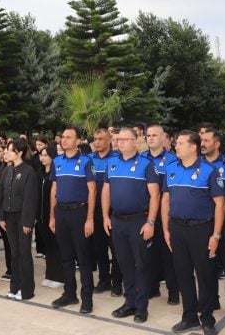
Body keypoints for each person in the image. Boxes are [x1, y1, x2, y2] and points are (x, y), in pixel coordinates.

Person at [162, 130, 224, 335]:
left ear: (193, 147)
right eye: (176, 143)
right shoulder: (171, 168)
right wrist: (166, 229)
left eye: (180, 143)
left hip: (201, 229)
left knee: (205, 275)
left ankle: (207, 318)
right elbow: (166, 199)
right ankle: (189, 317)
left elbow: (220, 204)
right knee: (183, 274)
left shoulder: (209, 170)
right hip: (177, 228)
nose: (176, 146)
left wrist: (216, 235)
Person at [101, 128, 160, 324]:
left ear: (136, 142)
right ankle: (130, 302)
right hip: (117, 221)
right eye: (119, 139)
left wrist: (150, 222)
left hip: (138, 222)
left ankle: (141, 307)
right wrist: (105, 216)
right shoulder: (112, 163)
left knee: (140, 265)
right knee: (124, 264)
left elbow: (155, 195)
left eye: (126, 139)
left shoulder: (146, 165)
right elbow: (106, 191)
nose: (121, 142)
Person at [49, 127, 96, 314]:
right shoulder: (57, 161)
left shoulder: (86, 161)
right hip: (61, 212)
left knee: (83, 258)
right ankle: (70, 294)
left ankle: (87, 299)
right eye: (63, 137)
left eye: (69, 137)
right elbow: (54, 189)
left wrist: (90, 218)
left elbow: (92, 190)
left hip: (79, 213)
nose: (64, 140)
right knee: (66, 256)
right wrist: (52, 215)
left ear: (78, 141)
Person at [199, 127, 225, 319]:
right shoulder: (197, 163)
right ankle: (211, 299)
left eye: (206, 140)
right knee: (208, 262)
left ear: (216, 144)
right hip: (204, 219)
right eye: (201, 140)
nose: (202, 144)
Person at [142, 124, 181, 305]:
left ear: (163, 137)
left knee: (168, 253)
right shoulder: (141, 159)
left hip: (166, 214)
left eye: (154, 135)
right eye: (148, 135)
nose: (151, 138)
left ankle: (173, 290)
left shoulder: (173, 160)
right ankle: (152, 287)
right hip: (147, 213)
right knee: (149, 253)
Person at [0, 138, 38, 301]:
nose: (7, 153)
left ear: (19, 153)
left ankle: (27, 290)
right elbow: (1, 194)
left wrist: (28, 221)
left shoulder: (28, 172)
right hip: (9, 217)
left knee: (24, 253)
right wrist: (0, 216)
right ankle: (15, 287)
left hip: (22, 217)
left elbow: (30, 199)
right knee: (14, 254)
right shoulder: (7, 170)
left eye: (10, 150)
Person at [89, 128, 122, 296]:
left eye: (101, 139)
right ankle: (104, 280)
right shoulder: (89, 159)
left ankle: (117, 282)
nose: (97, 142)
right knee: (99, 248)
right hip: (95, 210)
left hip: (113, 210)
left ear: (109, 140)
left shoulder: (117, 158)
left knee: (116, 249)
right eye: (95, 139)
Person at [36, 145, 63, 288]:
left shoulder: (56, 173)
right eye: (41, 155)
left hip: (53, 215)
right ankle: (50, 274)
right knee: (48, 247)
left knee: (56, 246)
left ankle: (59, 277)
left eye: (46, 155)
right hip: (41, 217)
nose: (43, 158)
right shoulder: (39, 173)